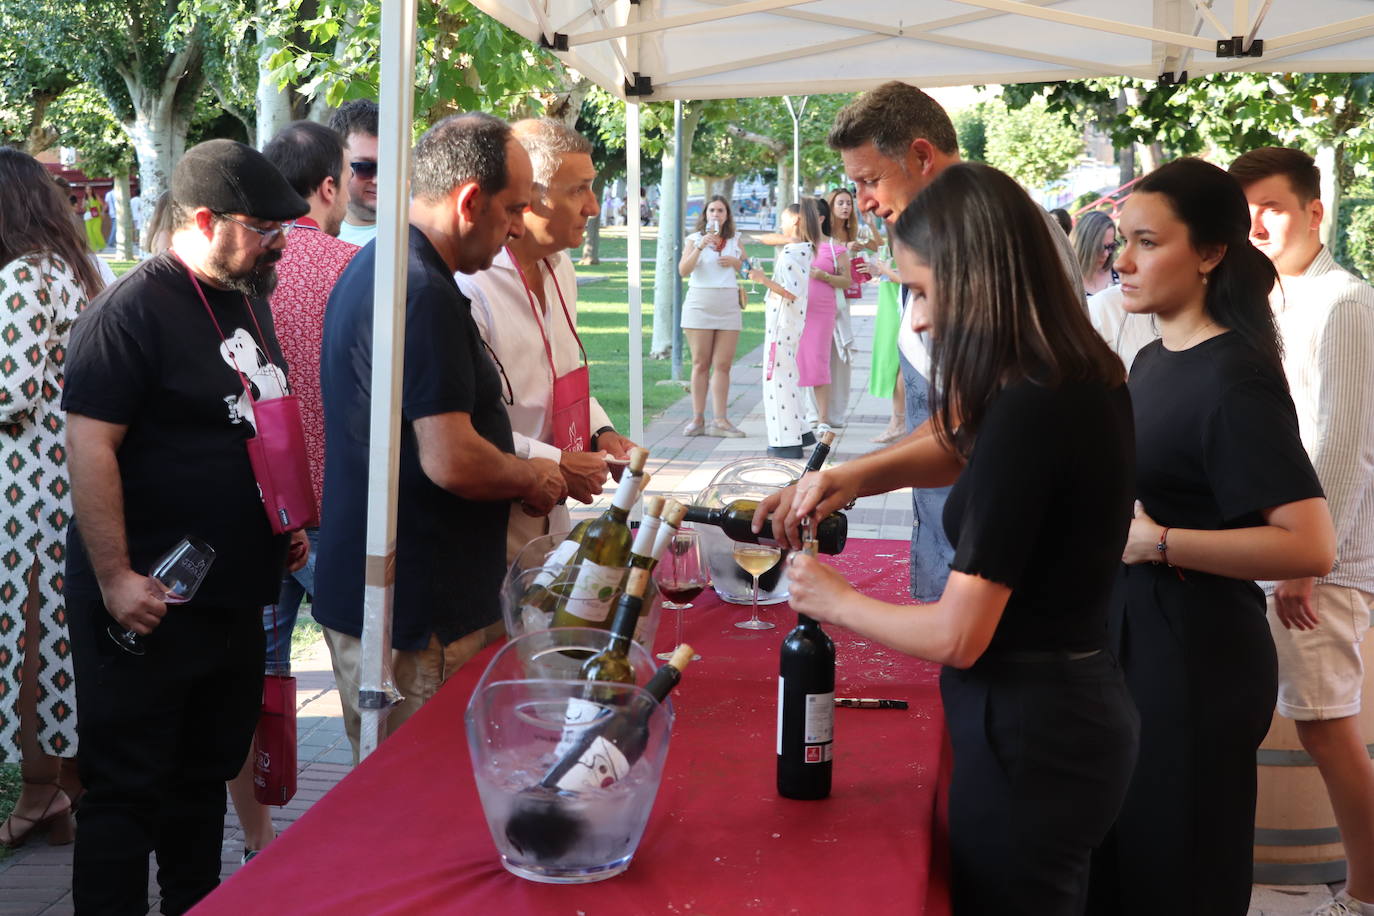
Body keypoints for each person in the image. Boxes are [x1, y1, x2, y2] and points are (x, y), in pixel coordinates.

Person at [771, 162, 1140, 914]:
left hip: (1035, 729)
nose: (915, 321)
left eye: (921, 291)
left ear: (978, 280)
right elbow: (966, 443)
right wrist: (854, 478)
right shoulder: (1063, 374)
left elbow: (959, 635)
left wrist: (833, 599)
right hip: (1063, 711)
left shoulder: (1036, 406)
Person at [63, 138, 311, 914]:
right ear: (204, 220)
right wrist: (114, 577)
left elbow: (253, 419)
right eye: (264, 228)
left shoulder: (246, 296)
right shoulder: (129, 313)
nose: (278, 244)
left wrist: (284, 521)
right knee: (127, 787)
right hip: (146, 600)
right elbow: (89, 447)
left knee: (202, 775)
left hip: (231, 595)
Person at [1087, 157, 1336, 916]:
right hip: (1138, 648)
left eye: (1148, 243)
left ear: (1210, 253)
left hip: (1196, 663)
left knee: (1178, 874)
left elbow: (1308, 544)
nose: (1123, 262)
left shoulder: (1235, 377)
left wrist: (1160, 542)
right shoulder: (1152, 358)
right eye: (1122, 242)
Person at [314, 113, 566, 762]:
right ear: (469, 201)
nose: (519, 227)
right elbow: (451, 458)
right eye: (514, 208)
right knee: (415, 801)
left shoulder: (387, 266)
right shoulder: (421, 289)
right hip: (420, 619)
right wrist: (533, 476)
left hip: (401, 604)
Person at [1230, 147, 1374, 916]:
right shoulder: (1272, 299)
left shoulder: (1343, 302)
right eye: (1245, 209)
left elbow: (1344, 444)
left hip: (1326, 561)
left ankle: (1365, 895)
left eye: (1273, 208)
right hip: (1284, 551)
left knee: (1326, 730)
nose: (1256, 225)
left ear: (1316, 212)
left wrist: (1307, 564)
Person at [218, 119, 359, 863]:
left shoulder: (235, 275)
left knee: (254, 680)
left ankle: (257, 837)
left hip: (256, 507)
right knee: (360, 673)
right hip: (335, 508)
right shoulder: (352, 270)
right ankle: (375, 821)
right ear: (327, 185)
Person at [455, 118, 635, 563]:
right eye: (579, 189)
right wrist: (556, 461)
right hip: (488, 517)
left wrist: (601, 432)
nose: (594, 207)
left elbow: (562, 371)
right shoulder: (470, 283)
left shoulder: (560, 265)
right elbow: (460, 429)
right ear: (528, 196)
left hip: (552, 511)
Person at [0, 148, 104, 850]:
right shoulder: (74, 270)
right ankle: (64, 787)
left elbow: (10, 395)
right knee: (58, 642)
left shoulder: (22, 277)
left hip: (26, 492)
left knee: (29, 640)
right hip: (66, 482)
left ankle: (42, 793)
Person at [749, 200, 821, 459]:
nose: (780, 224)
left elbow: (791, 292)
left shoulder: (793, 254)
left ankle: (785, 440)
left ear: (795, 220)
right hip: (787, 323)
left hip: (783, 324)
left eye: (783, 219)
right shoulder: (800, 249)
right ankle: (800, 430)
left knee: (778, 380)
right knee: (786, 375)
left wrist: (762, 280)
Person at [677, 195, 747, 438]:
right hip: (700, 304)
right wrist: (699, 247)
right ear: (705, 214)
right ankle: (697, 419)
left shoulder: (735, 240)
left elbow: (750, 271)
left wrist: (737, 262)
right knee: (700, 362)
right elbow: (683, 270)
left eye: (720, 210)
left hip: (728, 304)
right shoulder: (694, 239)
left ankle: (720, 420)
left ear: (727, 215)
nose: (716, 214)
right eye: (712, 210)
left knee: (723, 364)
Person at [798, 196, 849, 431]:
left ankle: (823, 418)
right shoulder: (796, 247)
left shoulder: (835, 248)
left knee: (819, 361)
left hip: (822, 313)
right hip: (797, 311)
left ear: (819, 219)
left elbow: (847, 281)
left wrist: (824, 276)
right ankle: (801, 414)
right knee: (797, 362)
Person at [328, 99, 379, 247]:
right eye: (365, 167)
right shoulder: (312, 234)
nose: (378, 180)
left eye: (389, 167)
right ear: (336, 165)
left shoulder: (420, 233)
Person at [1071, 210, 1118, 296]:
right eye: (1099, 248)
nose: (1106, 254)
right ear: (1084, 246)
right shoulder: (1067, 281)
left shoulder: (1119, 272)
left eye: (1111, 246)